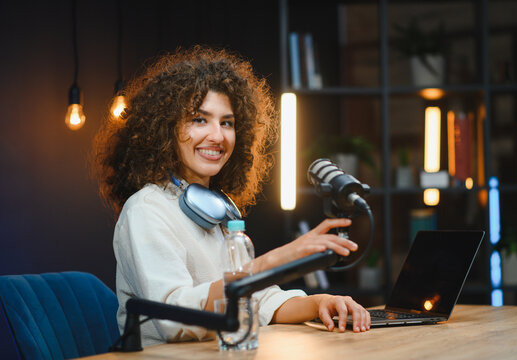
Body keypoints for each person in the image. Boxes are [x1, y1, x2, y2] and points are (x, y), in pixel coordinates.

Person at [93, 46, 370, 347]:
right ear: (166, 128)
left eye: (227, 122)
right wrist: (283, 256)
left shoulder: (217, 208)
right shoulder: (146, 210)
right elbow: (175, 319)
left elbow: (260, 301)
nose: (217, 135)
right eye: (199, 119)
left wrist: (320, 303)